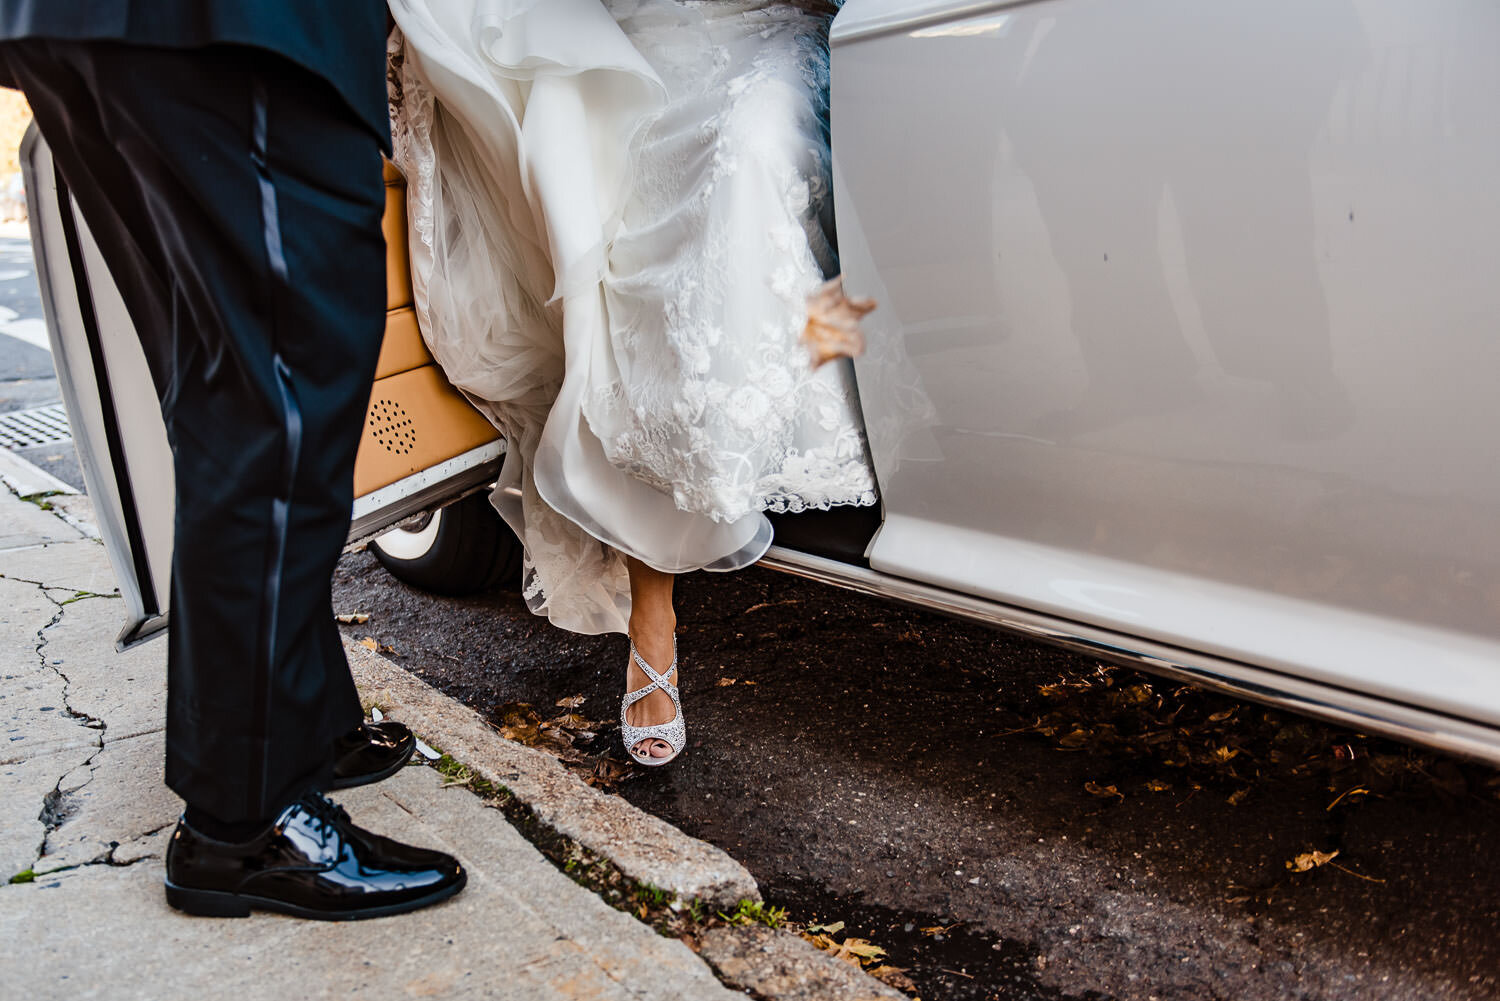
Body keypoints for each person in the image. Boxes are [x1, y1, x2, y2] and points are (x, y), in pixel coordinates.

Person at [0, 2, 466, 919]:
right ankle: (243, 821)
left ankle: (303, 719)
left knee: (224, 381)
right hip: (231, 27)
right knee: (279, 390)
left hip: (88, 21)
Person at [387, 0, 875, 767]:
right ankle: (654, 613)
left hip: (764, 25)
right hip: (632, 32)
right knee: (607, 203)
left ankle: (758, 447)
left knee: (746, 152)